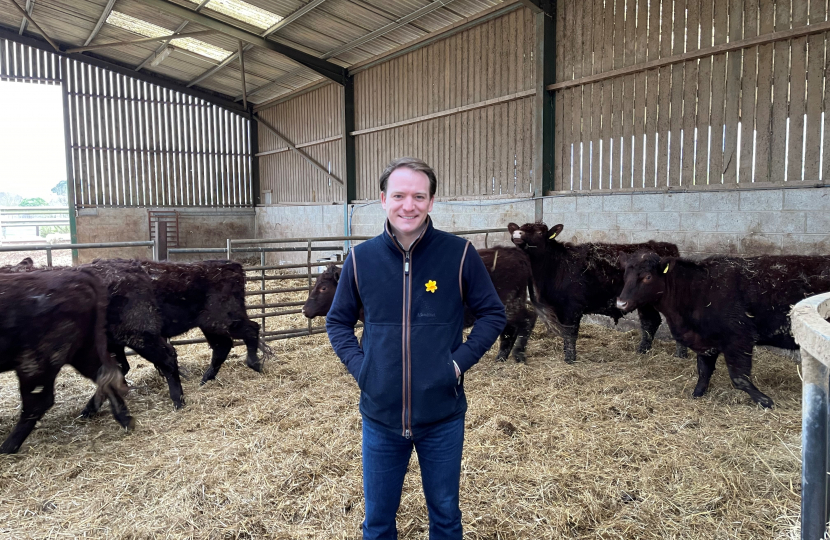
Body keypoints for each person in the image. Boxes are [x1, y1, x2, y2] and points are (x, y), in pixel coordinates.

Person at [326, 157, 507, 539]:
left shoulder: (459, 254)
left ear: (432, 201)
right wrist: (364, 370)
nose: (408, 205)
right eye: (399, 195)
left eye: (418, 196)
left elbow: (493, 314)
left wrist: (456, 365)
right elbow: (337, 321)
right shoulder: (361, 259)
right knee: (377, 522)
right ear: (383, 199)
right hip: (380, 418)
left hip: (442, 417)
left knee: (444, 516)